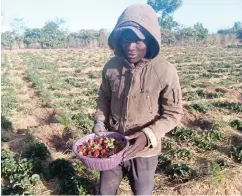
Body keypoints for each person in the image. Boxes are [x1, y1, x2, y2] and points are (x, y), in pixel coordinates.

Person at [93, 3, 183, 195]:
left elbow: (173, 113)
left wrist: (148, 135)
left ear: (149, 41)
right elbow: (104, 97)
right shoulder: (111, 67)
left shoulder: (165, 71)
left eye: (138, 41)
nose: (131, 47)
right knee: (105, 192)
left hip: (145, 151)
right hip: (113, 144)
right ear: (119, 39)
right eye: (126, 39)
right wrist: (100, 122)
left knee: (142, 192)